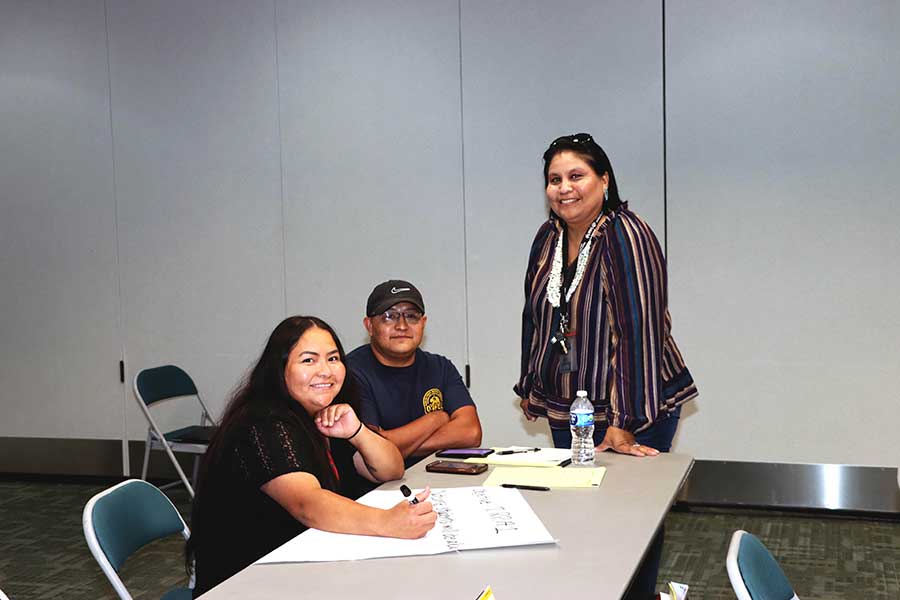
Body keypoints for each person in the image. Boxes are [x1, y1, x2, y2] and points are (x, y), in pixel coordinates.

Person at [515, 134, 698, 599]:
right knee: (577, 522)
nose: (564, 188)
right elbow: (537, 316)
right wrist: (533, 385)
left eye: (576, 176)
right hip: (571, 407)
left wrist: (625, 424)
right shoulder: (548, 237)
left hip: (630, 407)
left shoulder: (625, 234)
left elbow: (641, 330)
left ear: (604, 179)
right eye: (554, 179)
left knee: (625, 531)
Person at [187, 316, 436, 597]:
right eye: (308, 360)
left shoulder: (324, 413)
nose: (325, 371)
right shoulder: (263, 423)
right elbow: (308, 503)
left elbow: (390, 469)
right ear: (280, 369)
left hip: (302, 564)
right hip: (247, 582)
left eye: (333, 358)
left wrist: (357, 431)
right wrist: (386, 522)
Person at [347, 280, 482, 467]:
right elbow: (369, 450)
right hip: (376, 490)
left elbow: (471, 432)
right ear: (369, 325)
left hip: (435, 480)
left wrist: (394, 445)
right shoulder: (350, 372)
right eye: (390, 316)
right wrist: (435, 419)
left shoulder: (440, 366)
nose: (402, 326)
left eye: (411, 316)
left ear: (423, 323)